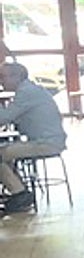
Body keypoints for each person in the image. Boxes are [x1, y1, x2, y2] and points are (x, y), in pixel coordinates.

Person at [0, 63, 67, 214]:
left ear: (16, 77)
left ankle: (19, 193)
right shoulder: (29, 90)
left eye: (2, 77)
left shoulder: (26, 93)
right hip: (46, 140)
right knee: (5, 152)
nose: (1, 81)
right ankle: (18, 190)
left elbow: (4, 118)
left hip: (46, 143)